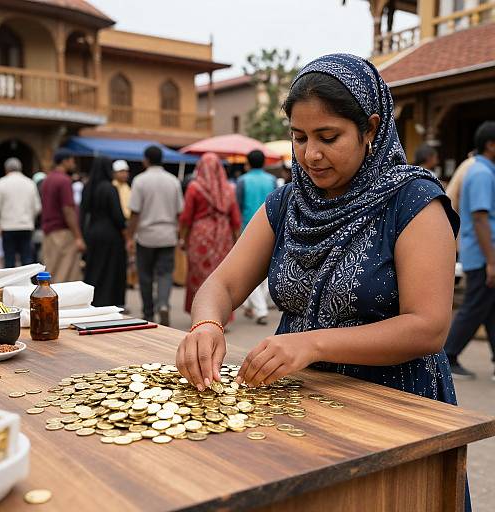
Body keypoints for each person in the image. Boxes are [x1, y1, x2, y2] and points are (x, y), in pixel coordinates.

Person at [176, 54, 468, 508]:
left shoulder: (413, 202)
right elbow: (222, 285)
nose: (310, 154)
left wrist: (311, 344)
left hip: (392, 411)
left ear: (370, 129)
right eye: (299, 137)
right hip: (295, 403)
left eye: (328, 137)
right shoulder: (289, 202)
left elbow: (428, 327)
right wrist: (207, 325)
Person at [444, 121, 495, 380]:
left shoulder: (483, 171)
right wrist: (491, 261)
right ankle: (448, 355)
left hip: (483, 254)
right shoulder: (482, 174)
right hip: (482, 254)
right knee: (475, 306)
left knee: (489, 308)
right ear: (490, 145)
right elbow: (480, 218)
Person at [127, 145, 183, 325]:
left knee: (145, 275)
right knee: (165, 273)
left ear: (146, 160)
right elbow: (179, 211)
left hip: (146, 236)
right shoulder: (173, 181)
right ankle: (164, 304)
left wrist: (129, 236)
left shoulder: (140, 181)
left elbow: (135, 212)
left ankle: (149, 313)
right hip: (167, 235)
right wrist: (180, 234)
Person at [179, 153, 241, 314]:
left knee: (199, 275)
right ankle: (221, 314)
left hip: (200, 235)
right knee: (221, 276)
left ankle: (200, 314)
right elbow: (235, 219)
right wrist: (236, 241)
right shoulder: (228, 189)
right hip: (223, 235)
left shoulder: (194, 187)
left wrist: (182, 238)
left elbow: (186, 217)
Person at [236, 150, 277, 325]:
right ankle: (254, 305)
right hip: (273, 227)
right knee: (268, 269)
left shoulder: (242, 181)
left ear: (248, 163)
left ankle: (259, 309)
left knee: (248, 270)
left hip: (249, 229)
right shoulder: (272, 180)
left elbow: (237, 207)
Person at [80, 156, 127, 307]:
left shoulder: (88, 187)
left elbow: (82, 212)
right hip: (110, 234)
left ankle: (91, 299)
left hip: (92, 232)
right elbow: (117, 216)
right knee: (110, 269)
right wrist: (124, 228)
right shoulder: (109, 188)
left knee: (94, 268)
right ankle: (108, 301)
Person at [41, 149, 86, 282]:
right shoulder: (64, 180)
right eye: (72, 160)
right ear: (65, 161)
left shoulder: (47, 179)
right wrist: (78, 236)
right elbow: (68, 210)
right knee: (64, 273)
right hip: (62, 231)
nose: (73, 163)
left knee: (51, 270)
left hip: (48, 231)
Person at [0, 158, 41, 267]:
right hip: (26, 226)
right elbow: (37, 207)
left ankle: (10, 284)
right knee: (27, 258)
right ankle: (27, 283)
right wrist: (30, 218)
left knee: (9, 259)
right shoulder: (30, 183)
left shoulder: (2, 183)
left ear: (6, 169)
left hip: (8, 226)